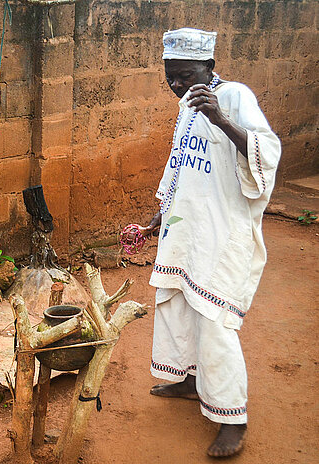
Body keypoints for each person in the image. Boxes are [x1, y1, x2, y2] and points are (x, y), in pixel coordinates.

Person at [139, 28, 281, 457]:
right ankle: (187, 379)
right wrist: (157, 218)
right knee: (177, 303)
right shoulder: (187, 106)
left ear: (209, 67)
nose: (178, 85)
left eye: (186, 75)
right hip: (187, 228)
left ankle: (231, 419)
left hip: (223, 233)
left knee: (215, 322)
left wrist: (221, 119)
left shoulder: (234, 96)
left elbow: (267, 152)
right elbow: (181, 165)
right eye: (171, 77)